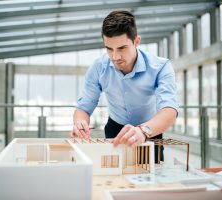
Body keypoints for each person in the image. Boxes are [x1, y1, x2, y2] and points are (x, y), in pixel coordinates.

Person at [70, 10, 179, 162]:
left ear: (136, 41)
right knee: (114, 174)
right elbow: (83, 108)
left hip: (149, 129)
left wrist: (143, 131)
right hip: (115, 127)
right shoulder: (98, 67)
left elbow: (169, 110)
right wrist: (79, 123)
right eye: (109, 49)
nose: (115, 57)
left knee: (151, 177)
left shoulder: (161, 67)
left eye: (122, 48)